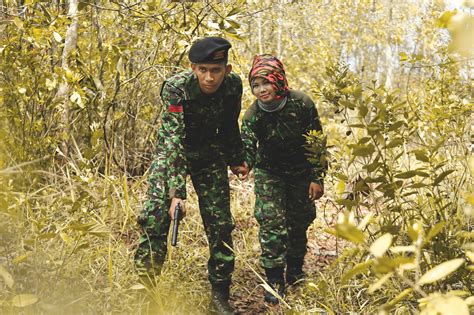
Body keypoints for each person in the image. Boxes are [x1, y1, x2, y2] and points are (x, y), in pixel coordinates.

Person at [135, 36, 248, 314]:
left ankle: (220, 295)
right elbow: (173, 139)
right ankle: (145, 293)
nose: (209, 77)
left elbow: (230, 124)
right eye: (202, 70)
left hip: (209, 154)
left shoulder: (233, 86)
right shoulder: (176, 88)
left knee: (220, 223)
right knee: (155, 217)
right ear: (193, 68)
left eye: (216, 70)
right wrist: (176, 194)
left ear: (227, 70)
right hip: (173, 152)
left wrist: (236, 158)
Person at [241, 54, 326, 304]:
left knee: (299, 222)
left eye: (265, 83)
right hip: (270, 173)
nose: (261, 90)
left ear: (278, 81)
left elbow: (316, 142)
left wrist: (317, 177)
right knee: (270, 222)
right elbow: (247, 146)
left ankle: (295, 269)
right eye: (255, 85)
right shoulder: (253, 114)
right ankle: (274, 279)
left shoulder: (301, 104)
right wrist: (244, 165)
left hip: (301, 173)